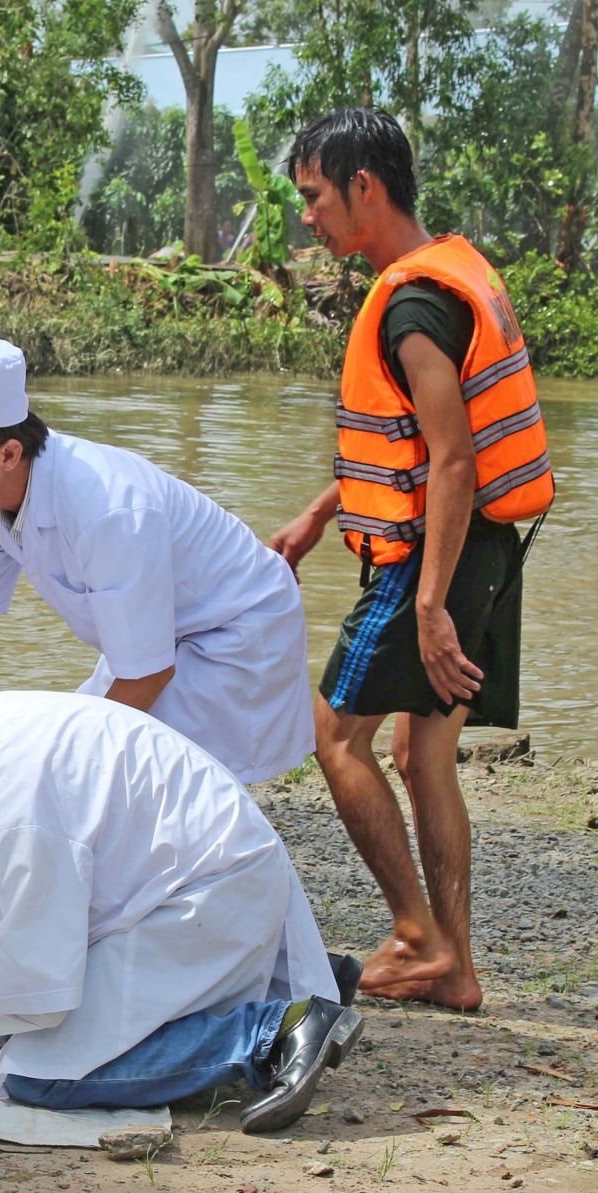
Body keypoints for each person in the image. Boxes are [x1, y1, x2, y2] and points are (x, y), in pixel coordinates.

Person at [271, 110, 554, 1011]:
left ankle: (417, 934)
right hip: (484, 546)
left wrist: (428, 603)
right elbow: (413, 447)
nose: (308, 219)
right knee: (420, 748)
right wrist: (324, 509)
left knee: (334, 734)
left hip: (436, 553)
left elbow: (455, 457)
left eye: (315, 197)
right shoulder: (451, 272)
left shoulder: (414, 302)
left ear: (366, 186)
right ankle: (454, 964)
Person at [0, 684, 361, 1134]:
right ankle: (289, 981)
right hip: (205, 872)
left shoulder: (5, 810)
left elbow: (36, 1000)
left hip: (203, 897)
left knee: (39, 1075)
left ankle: (272, 1030)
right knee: (47, 1023)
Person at [0, 333, 314, 784]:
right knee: (92, 761)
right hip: (157, 638)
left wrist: (71, 766)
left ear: (7, 453)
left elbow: (148, 674)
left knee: (146, 777)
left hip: (234, 630)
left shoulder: (108, 509)